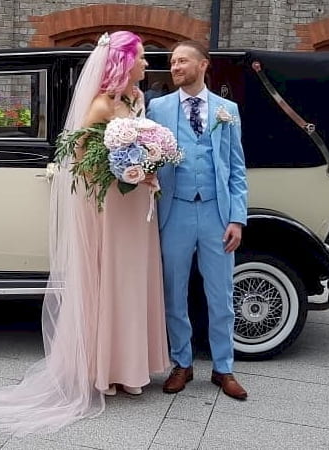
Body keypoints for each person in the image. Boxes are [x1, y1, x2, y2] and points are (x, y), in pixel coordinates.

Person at [0, 31, 170, 436]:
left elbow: (142, 145)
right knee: (111, 280)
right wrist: (122, 170)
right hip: (111, 208)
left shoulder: (136, 100)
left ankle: (130, 368)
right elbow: (78, 161)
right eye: (142, 58)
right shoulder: (100, 105)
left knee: (133, 281)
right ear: (123, 61)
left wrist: (147, 167)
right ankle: (105, 371)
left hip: (135, 207)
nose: (147, 64)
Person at [146, 40, 249, 400]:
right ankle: (182, 363)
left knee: (220, 294)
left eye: (182, 60)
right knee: (174, 292)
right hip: (173, 211)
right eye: (172, 61)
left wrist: (237, 218)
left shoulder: (227, 110)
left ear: (203, 65)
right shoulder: (156, 107)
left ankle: (224, 368)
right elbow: (148, 156)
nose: (175, 66)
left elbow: (237, 168)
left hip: (216, 215)